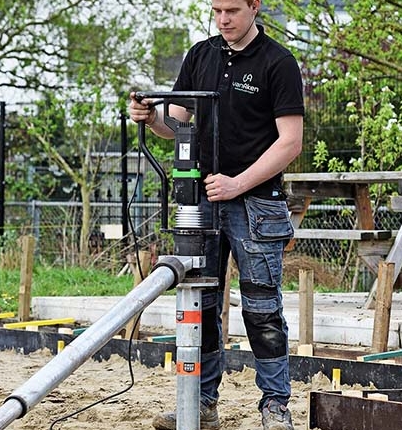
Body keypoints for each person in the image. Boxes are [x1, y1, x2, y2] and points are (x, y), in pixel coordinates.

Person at [128, 0, 304, 429]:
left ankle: (275, 407)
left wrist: (236, 183)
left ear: (254, 7)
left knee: (262, 309)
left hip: (256, 203)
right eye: (216, 10)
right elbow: (177, 123)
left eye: (232, 10)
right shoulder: (200, 55)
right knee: (200, 305)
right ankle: (202, 404)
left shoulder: (278, 62)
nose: (223, 19)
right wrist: (151, 117)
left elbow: (290, 142)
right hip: (200, 203)